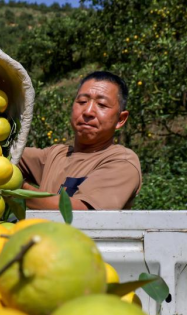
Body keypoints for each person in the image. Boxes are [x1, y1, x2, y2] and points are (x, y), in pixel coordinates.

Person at [19, 71, 142, 210]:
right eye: (82, 102)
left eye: (101, 104)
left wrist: (15, 190)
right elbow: (3, 155)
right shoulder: (54, 155)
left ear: (120, 119)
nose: (88, 111)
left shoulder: (121, 162)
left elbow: (81, 213)